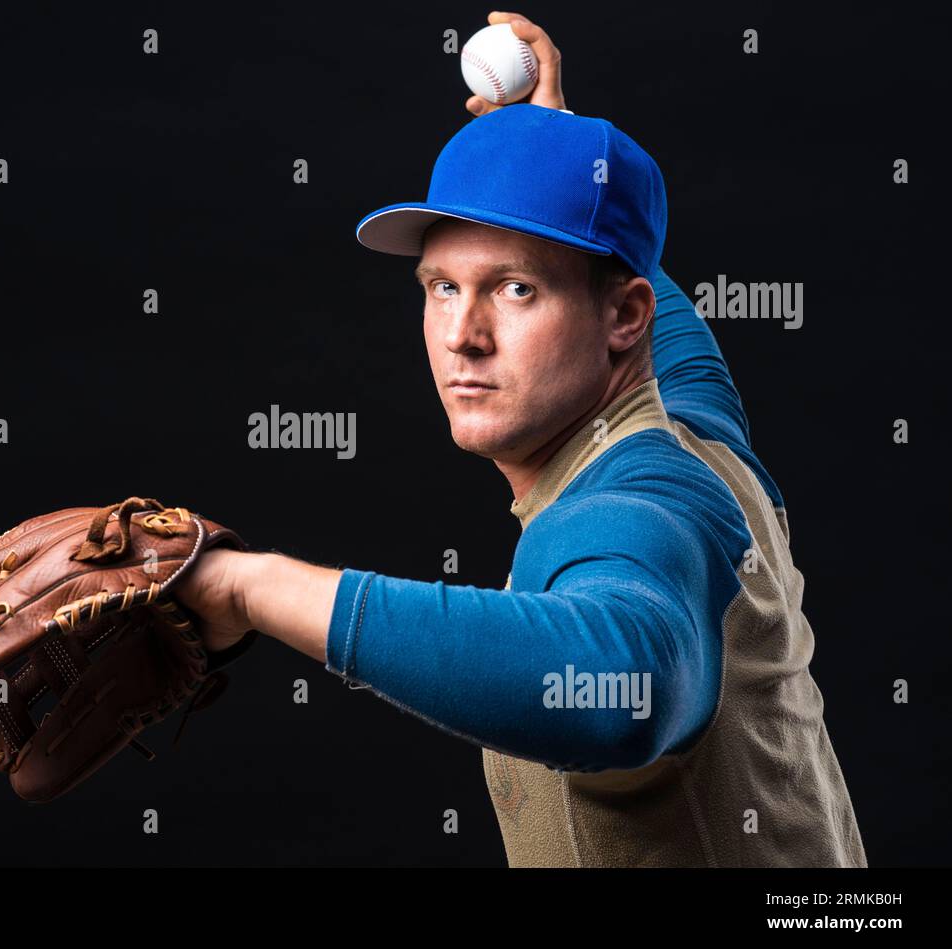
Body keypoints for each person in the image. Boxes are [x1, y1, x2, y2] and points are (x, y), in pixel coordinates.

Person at [175, 11, 867, 867]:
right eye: (440, 287)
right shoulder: (698, 423)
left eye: (513, 290)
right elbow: (639, 276)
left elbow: (622, 691)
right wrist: (557, 143)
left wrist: (248, 586)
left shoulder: (643, 505)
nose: (462, 333)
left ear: (623, 318)